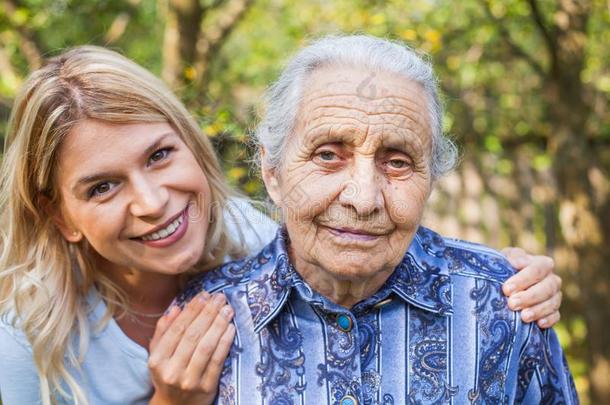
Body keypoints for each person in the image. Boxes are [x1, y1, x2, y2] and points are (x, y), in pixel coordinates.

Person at [0, 45, 559, 405]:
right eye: (102, 186)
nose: (151, 203)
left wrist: (507, 279)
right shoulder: (24, 342)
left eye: (159, 156)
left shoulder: (261, 231)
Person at [176, 35, 577, 404]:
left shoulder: (507, 306)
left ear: (431, 182)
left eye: (398, 162)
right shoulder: (204, 318)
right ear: (273, 173)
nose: (363, 199)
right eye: (328, 155)